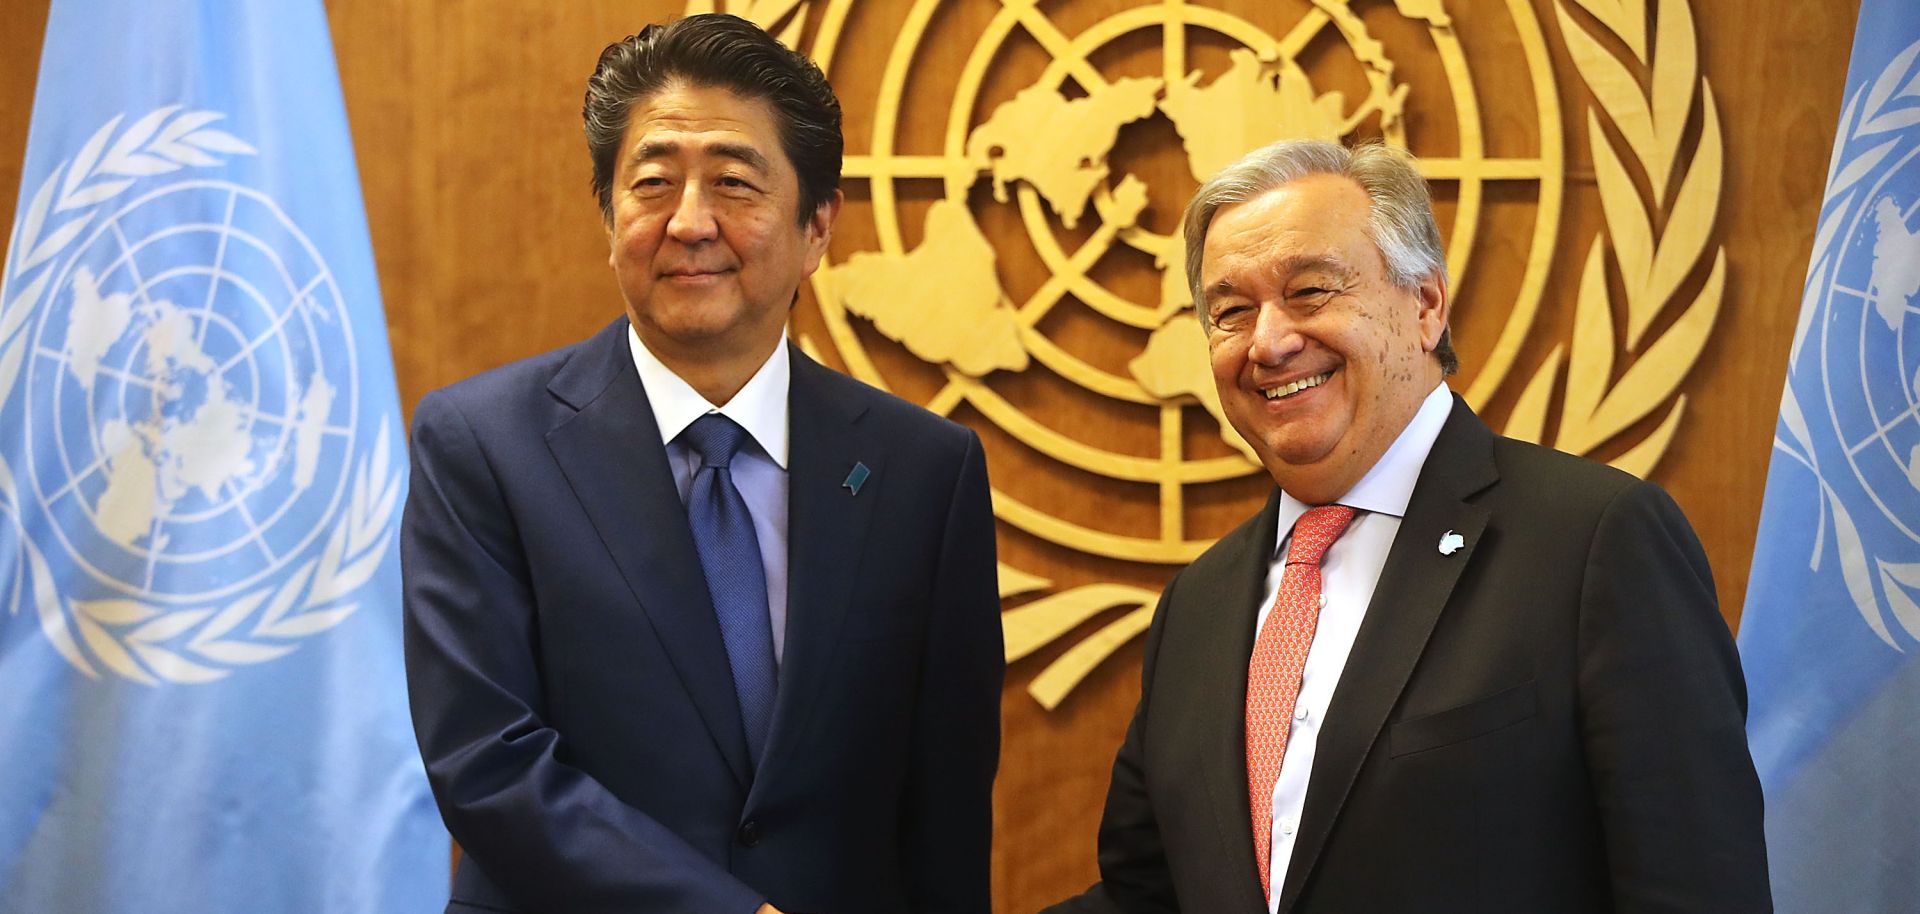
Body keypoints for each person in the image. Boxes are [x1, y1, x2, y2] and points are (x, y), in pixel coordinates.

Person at [1045, 140, 1770, 913]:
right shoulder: (1200, 601)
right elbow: (1146, 897)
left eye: (1311, 291)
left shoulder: (1594, 543)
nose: (1268, 341)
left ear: (1425, 306)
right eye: (1231, 312)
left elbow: (1693, 888)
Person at [400, 14, 1003, 913]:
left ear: (818, 226)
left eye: (733, 181)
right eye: (652, 184)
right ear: (609, 218)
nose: (689, 223)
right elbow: (488, 762)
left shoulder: (925, 470)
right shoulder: (482, 444)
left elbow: (944, 801)